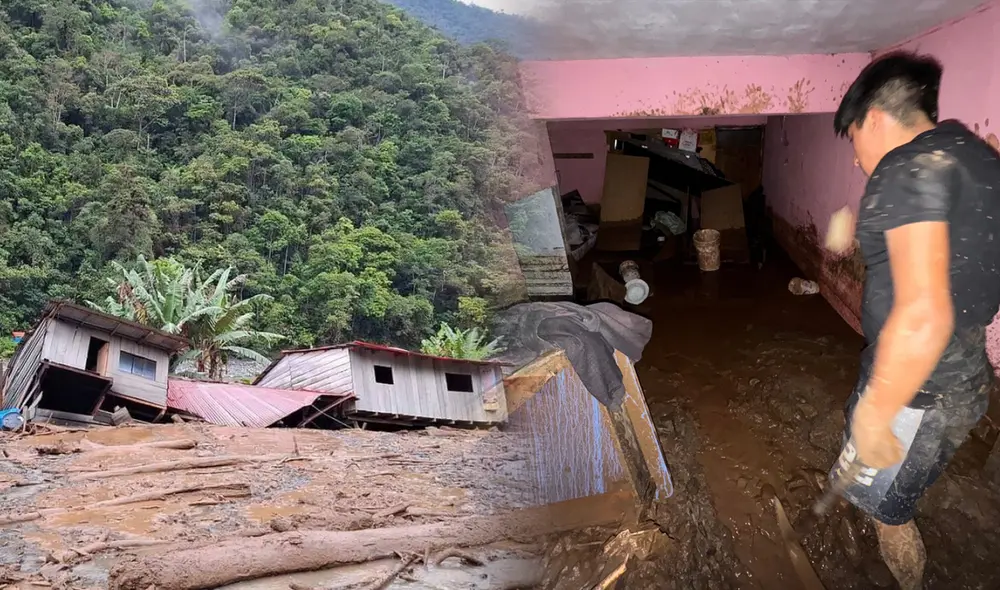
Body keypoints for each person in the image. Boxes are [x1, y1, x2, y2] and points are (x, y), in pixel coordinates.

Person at [830, 51, 1000, 590]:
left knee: (889, 503)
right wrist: (852, 241)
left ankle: (900, 563)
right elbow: (950, 260)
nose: (858, 161)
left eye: (853, 138)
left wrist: (876, 412)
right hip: (960, 373)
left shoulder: (904, 169)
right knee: (868, 472)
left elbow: (924, 311)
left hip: (918, 389)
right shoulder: (979, 157)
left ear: (874, 119)